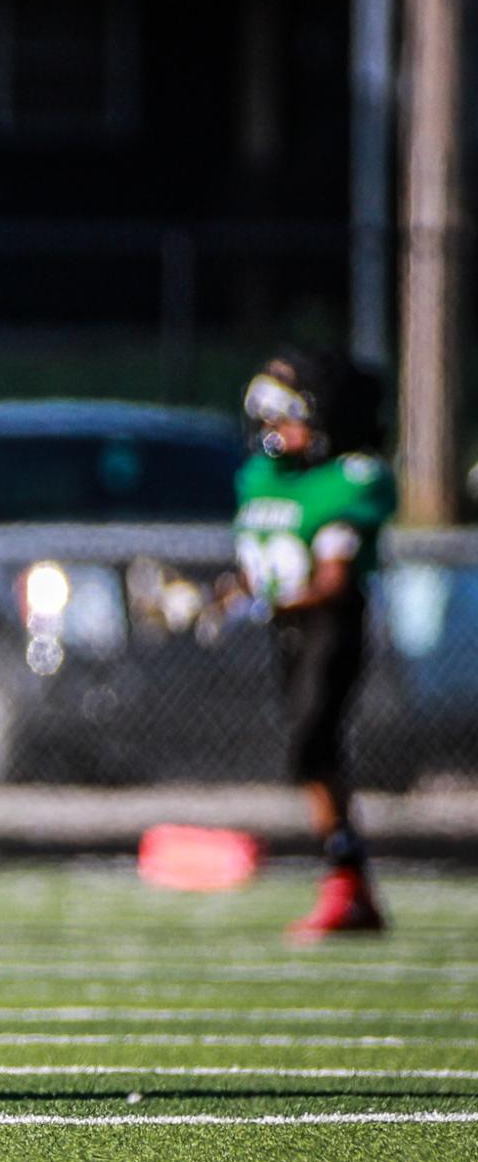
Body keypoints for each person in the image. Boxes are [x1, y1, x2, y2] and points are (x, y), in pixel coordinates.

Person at [228, 348, 397, 941]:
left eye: (287, 420)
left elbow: (331, 581)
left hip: (332, 629)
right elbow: (259, 574)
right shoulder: (262, 480)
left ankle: (348, 886)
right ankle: (349, 885)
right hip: (291, 633)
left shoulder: (348, 481)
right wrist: (213, 599)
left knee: (313, 744)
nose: (277, 434)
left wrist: (262, 601)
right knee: (313, 756)